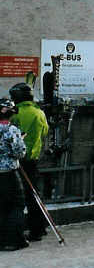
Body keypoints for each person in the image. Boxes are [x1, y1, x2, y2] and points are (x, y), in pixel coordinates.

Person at [10, 83, 49, 241]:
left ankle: (29, 231)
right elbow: (45, 131)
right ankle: (40, 227)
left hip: (18, 160)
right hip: (33, 159)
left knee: (19, 197)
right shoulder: (39, 112)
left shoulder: (15, 113)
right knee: (34, 194)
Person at [0, 99, 28, 251]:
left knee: (1, 207)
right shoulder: (12, 130)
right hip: (9, 173)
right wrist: (21, 140)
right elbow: (19, 152)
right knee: (17, 205)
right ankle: (14, 240)